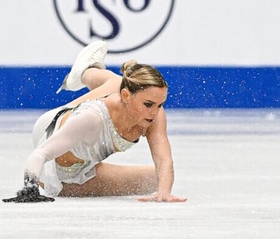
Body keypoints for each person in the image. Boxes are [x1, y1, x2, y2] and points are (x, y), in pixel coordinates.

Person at [2, 41, 187, 203]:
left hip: (84, 167)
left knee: (156, 179)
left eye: (160, 104)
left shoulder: (153, 115)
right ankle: (86, 70)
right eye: (148, 104)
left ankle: (87, 71)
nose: (155, 112)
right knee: (117, 83)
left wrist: (164, 193)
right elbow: (40, 154)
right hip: (52, 142)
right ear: (126, 96)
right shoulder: (93, 117)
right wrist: (29, 190)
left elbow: (163, 159)